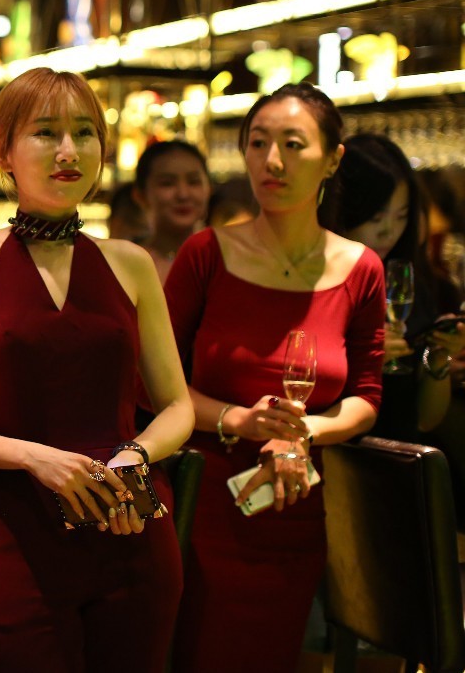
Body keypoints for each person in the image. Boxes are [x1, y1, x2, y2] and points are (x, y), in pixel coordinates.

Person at [0, 68, 195, 671]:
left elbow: (178, 407)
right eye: (46, 132)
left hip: (130, 525)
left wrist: (137, 454)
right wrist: (35, 458)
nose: (69, 150)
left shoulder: (131, 263)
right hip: (20, 531)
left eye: (85, 132)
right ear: (3, 152)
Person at [165, 83, 384, 673]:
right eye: (258, 143)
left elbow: (366, 397)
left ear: (332, 160)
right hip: (205, 500)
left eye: (293, 144)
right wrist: (237, 419)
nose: (272, 161)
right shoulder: (206, 254)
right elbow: (151, 383)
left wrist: (302, 432)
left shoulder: (361, 269)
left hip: (295, 502)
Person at [327, 134, 463, 439]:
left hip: (401, 455)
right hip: (334, 453)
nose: (390, 231)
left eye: (401, 216)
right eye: (377, 218)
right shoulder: (318, 287)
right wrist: (362, 360)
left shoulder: (406, 282)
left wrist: (438, 358)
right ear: (344, 210)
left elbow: (425, 420)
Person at [133, 140, 212, 281]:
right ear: (141, 196)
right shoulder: (129, 264)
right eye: (167, 183)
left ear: (209, 189)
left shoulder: (224, 261)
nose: (183, 194)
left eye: (193, 181)